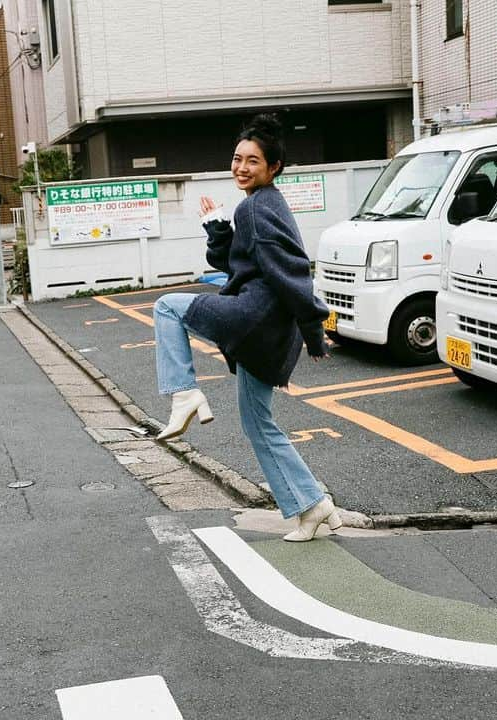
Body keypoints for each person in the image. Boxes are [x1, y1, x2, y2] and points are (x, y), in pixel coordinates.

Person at [152, 113, 339, 542]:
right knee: (258, 423)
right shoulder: (261, 204)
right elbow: (236, 263)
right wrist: (218, 228)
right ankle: (312, 505)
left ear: (273, 168)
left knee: (167, 307)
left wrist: (314, 330)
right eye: (237, 159)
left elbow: (291, 271)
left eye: (252, 161)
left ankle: (185, 393)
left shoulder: (256, 207)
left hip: (253, 317)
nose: (241, 167)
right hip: (264, 325)